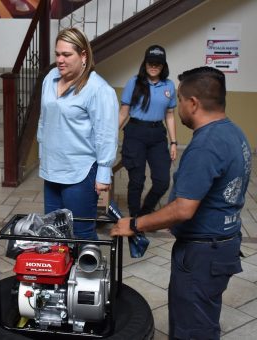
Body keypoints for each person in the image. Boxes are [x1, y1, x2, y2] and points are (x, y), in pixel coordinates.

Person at [111, 66, 251, 339]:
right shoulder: (235, 133)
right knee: (203, 318)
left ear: (194, 103)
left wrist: (135, 224)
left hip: (202, 254)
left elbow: (183, 209)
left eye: (179, 98)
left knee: (192, 329)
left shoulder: (206, 145)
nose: (176, 105)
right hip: (223, 246)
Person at [37, 27, 119, 240]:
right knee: (54, 231)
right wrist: (42, 153)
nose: (60, 60)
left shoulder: (99, 89)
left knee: (81, 232)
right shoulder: (50, 78)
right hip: (52, 169)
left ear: (83, 55)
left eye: (66, 54)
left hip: (80, 172)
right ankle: (62, 273)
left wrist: (104, 172)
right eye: (57, 54)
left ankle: (89, 272)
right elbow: (44, 121)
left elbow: (106, 134)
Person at [119, 44, 177, 217]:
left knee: (162, 181)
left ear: (163, 66)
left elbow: (170, 115)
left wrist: (173, 142)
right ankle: (135, 218)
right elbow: (123, 113)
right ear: (144, 63)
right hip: (135, 133)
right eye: (150, 62)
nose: (153, 66)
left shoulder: (169, 86)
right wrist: (109, 136)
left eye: (157, 63)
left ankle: (146, 212)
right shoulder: (134, 82)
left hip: (158, 135)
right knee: (136, 180)